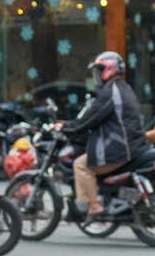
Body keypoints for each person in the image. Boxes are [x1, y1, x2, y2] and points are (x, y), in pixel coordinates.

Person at [59, 51, 142, 223]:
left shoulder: (110, 91)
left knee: (81, 164)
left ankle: (93, 206)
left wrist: (67, 127)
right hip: (133, 145)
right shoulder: (124, 87)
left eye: (99, 71)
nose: (96, 76)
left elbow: (91, 117)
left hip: (119, 147)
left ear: (109, 69)